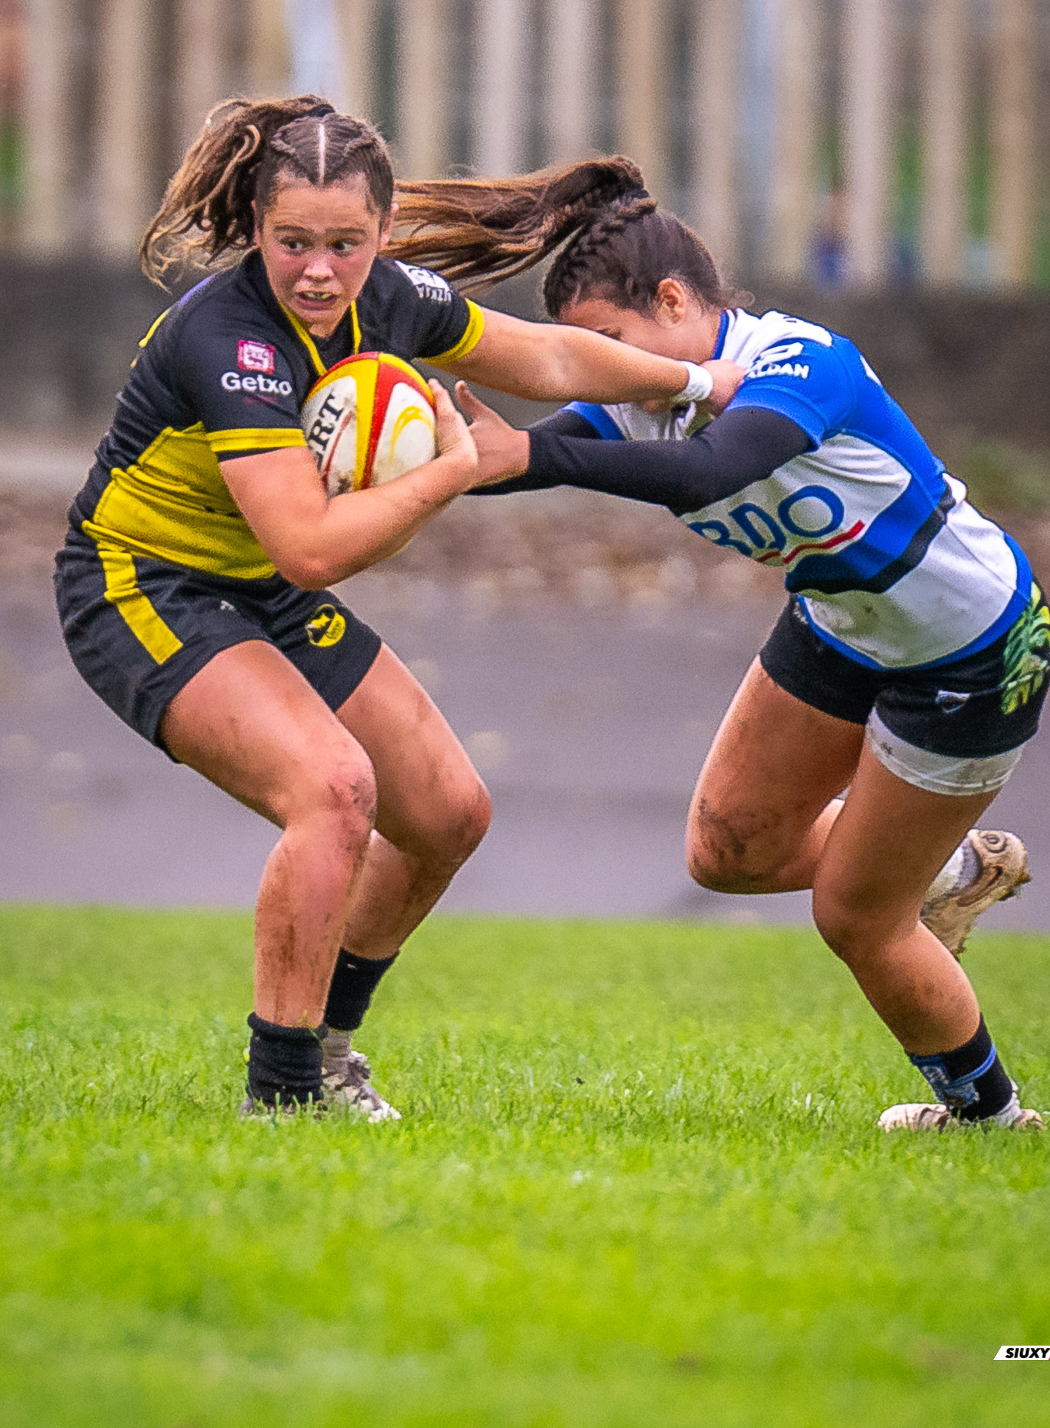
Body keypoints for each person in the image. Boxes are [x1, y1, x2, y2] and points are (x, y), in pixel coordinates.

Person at [55, 104, 742, 1117]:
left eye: (346, 243)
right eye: (292, 243)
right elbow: (312, 546)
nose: (320, 271)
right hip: (142, 584)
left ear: (379, 235)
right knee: (332, 791)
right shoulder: (227, 338)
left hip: (261, 590)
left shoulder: (395, 299)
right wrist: (448, 470)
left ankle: (328, 1050)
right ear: (256, 229)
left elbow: (548, 360)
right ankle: (282, 1095)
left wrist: (691, 377)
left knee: (449, 814)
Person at [402, 161, 1050, 1134]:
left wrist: (530, 453)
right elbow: (520, 452)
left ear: (673, 300)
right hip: (842, 621)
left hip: (971, 649)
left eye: (607, 345)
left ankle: (989, 1119)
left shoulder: (801, 363)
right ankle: (952, 870)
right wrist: (398, 447)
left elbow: (712, 470)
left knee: (855, 916)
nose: (599, 371)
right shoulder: (644, 392)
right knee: (728, 851)